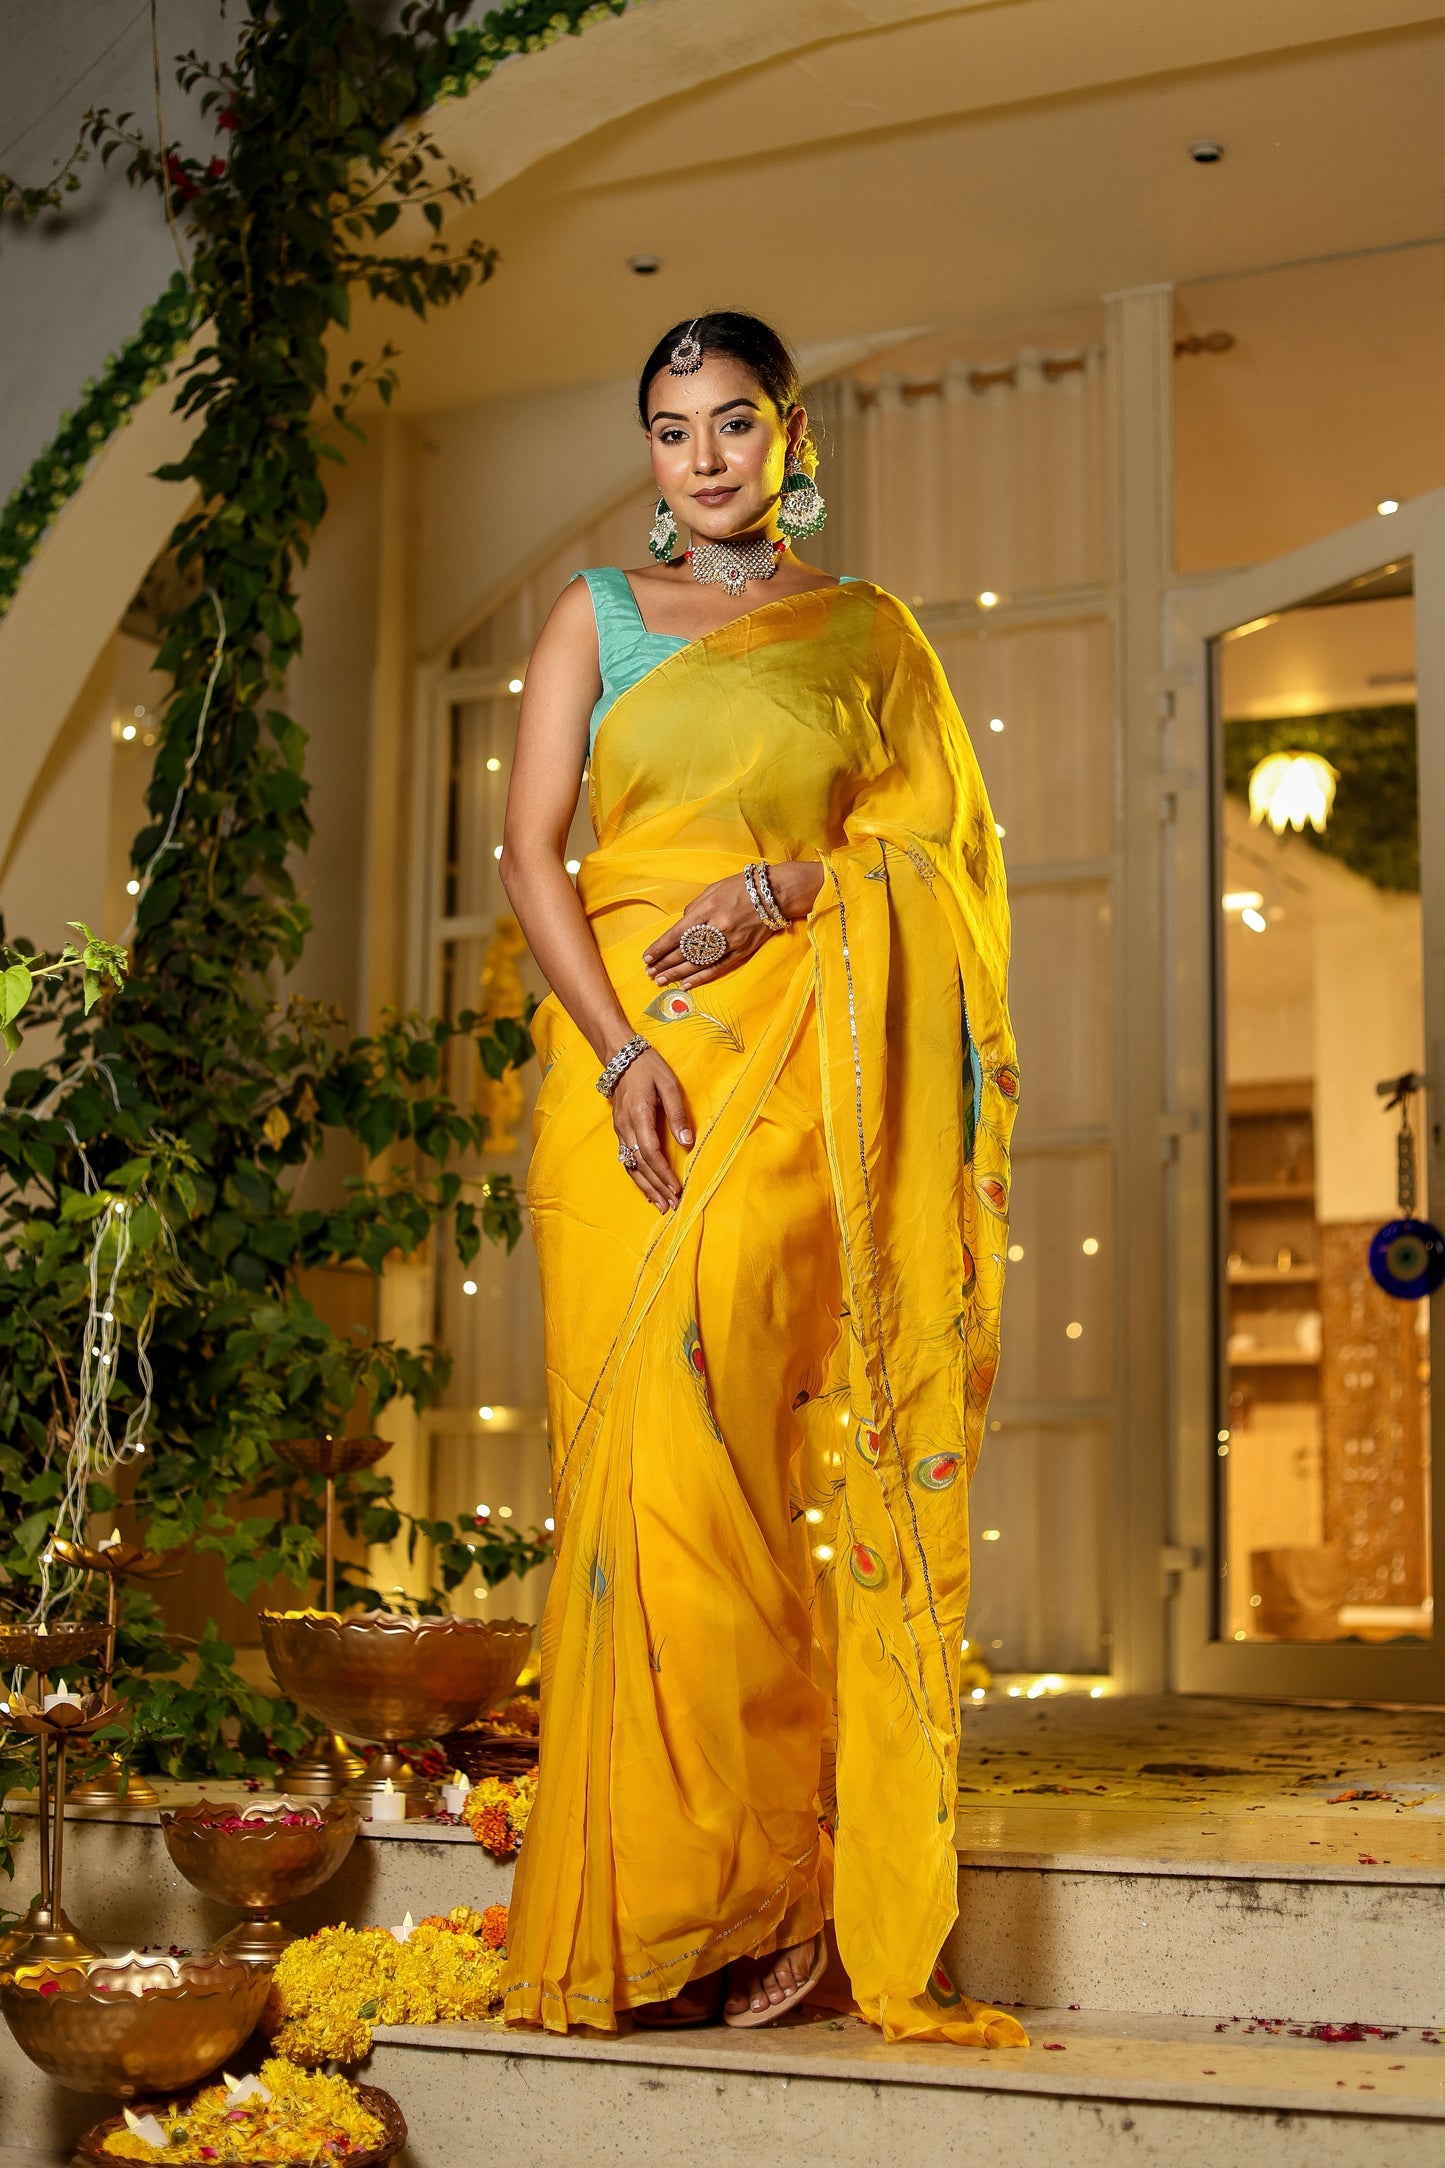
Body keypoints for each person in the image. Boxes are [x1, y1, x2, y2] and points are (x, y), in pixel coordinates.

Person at [497, 311, 1023, 2045]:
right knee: (639, 1478)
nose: (703, 458)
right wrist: (622, 1051)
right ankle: (656, 1918)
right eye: (669, 430)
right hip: (620, 1083)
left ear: (788, 434)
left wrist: (799, 894)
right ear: (646, 452)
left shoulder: (868, 636)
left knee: (752, 1462)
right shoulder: (596, 616)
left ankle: (774, 1895)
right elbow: (530, 852)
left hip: (805, 1069)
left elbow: (929, 860)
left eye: (732, 423)